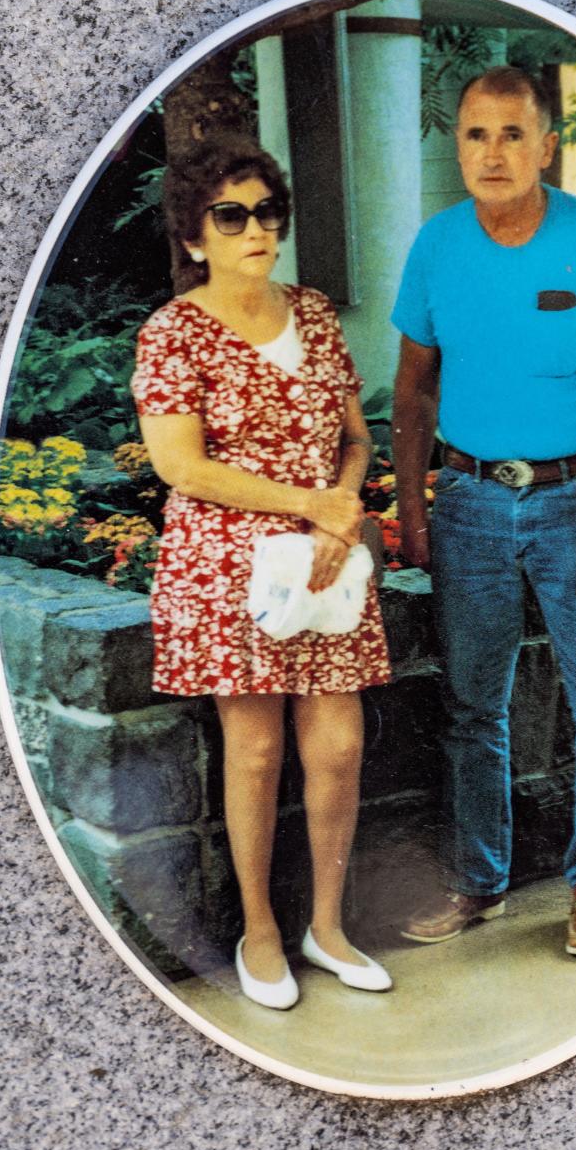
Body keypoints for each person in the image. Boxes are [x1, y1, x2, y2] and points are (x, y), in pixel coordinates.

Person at [391, 66, 576, 957]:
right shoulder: (435, 246)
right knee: (474, 707)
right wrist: (415, 512)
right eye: (476, 134)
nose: (493, 152)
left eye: (513, 134)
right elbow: (411, 391)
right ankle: (479, 882)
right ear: (457, 145)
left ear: (548, 146)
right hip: (468, 504)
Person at [131, 140, 393, 1008]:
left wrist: (344, 503)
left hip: (326, 563)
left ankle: (326, 925)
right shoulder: (174, 332)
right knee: (252, 752)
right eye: (231, 214)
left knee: (341, 748)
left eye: (266, 212)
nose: (255, 229)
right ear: (195, 236)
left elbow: (356, 440)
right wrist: (308, 501)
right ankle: (261, 932)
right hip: (226, 569)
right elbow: (183, 467)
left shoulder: (316, 316)